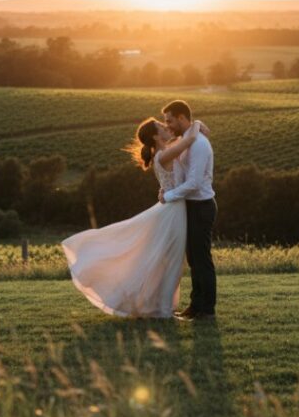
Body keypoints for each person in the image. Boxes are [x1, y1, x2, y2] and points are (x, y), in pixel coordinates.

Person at [61, 115, 209, 318]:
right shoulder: (164, 154)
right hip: (173, 212)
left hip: (173, 208)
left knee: (167, 260)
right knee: (171, 260)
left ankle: (160, 307)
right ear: (156, 137)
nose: (166, 126)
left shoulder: (163, 152)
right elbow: (189, 139)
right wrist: (198, 123)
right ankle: (162, 309)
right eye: (160, 125)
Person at [159, 100, 217, 321]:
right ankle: (196, 306)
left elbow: (193, 183)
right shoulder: (186, 139)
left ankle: (207, 310)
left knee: (202, 259)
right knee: (193, 259)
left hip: (202, 207)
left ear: (182, 118)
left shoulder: (200, 144)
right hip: (190, 206)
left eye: (170, 120)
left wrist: (169, 197)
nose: (168, 125)